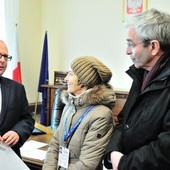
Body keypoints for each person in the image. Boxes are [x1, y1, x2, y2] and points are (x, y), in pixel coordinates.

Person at [103, 8, 170, 170]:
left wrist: (125, 163)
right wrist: (112, 152)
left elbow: (166, 149)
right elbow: (123, 121)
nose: (127, 51)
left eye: (131, 44)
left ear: (153, 47)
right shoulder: (140, 75)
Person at [43, 55, 116, 170]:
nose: (65, 78)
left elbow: (87, 165)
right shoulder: (69, 106)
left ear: (83, 81)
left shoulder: (101, 115)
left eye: (70, 74)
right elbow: (55, 145)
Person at [0, 40, 35, 157]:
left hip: (8, 158)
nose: (2, 60)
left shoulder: (17, 88)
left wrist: (17, 132)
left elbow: (27, 120)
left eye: (5, 56)